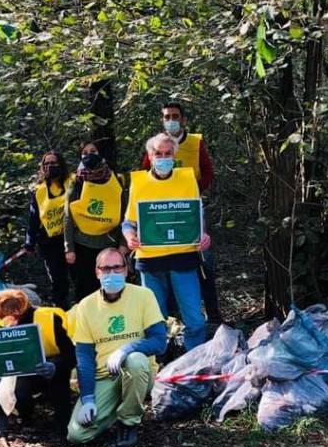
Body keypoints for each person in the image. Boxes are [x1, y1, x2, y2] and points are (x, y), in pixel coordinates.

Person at [68, 247, 168, 447]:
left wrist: (127, 349)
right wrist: (87, 398)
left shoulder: (143, 296)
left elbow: (159, 341)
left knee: (136, 360)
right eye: (105, 269)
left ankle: (129, 422)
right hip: (104, 376)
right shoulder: (86, 306)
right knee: (77, 435)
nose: (111, 273)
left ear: (125, 270)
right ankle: (115, 409)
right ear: (97, 273)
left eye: (116, 268)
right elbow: (84, 356)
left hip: (137, 372)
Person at [124, 133, 210, 351]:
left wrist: (204, 235)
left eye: (167, 153)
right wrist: (129, 237)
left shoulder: (188, 179)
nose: (163, 157)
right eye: (158, 153)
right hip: (150, 261)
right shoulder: (139, 182)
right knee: (154, 319)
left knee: (195, 320)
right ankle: (159, 361)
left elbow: (196, 216)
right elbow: (128, 223)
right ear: (150, 157)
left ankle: (193, 361)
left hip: (183, 257)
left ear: (175, 154)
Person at [140, 102, 221, 324]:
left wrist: (192, 193)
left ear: (183, 119)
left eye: (175, 116)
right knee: (168, 266)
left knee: (203, 262)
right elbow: (144, 175)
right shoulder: (155, 145)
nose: (171, 120)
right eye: (167, 116)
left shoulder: (195, 142)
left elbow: (207, 172)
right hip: (160, 213)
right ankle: (173, 321)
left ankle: (213, 315)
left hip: (190, 211)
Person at [0, 289, 76, 438]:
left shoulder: (47, 319)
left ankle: (63, 422)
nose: (0, 319)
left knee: (57, 375)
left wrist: (55, 366)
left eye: (4, 315)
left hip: (50, 371)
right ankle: (25, 416)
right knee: (5, 371)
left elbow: (72, 355)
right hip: (21, 375)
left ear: (17, 311)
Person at [64, 141, 129, 299]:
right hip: (82, 245)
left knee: (111, 289)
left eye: (92, 151)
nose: (88, 155)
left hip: (109, 244)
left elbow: (126, 214)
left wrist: (123, 243)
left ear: (100, 154)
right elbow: (68, 216)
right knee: (84, 290)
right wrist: (69, 248)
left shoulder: (116, 180)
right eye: (84, 153)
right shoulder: (76, 182)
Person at [24, 151, 73, 308]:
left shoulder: (73, 182)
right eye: (46, 164)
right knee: (58, 281)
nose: (50, 167)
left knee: (78, 277)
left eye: (54, 163)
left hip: (73, 239)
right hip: (50, 242)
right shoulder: (39, 191)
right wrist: (29, 242)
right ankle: (60, 311)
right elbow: (33, 218)